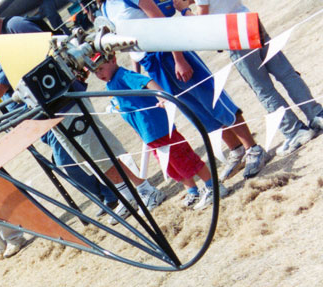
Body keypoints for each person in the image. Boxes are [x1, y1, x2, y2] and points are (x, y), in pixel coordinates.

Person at [0, 1, 166, 222]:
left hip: (64, 100)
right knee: (86, 158)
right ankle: (125, 193)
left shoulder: (16, 27)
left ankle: (145, 189)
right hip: (48, 107)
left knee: (99, 149)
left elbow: (53, 52)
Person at [99, 0, 267, 180]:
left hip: (168, 53)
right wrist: (137, 72)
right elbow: (131, 45)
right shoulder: (105, 8)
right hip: (152, 63)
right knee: (196, 111)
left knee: (212, 99)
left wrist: (178, 59)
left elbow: (163, 23)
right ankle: (236, 149)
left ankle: (253, 148)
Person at [174, 0, 322, 156]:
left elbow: (201, 23)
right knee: (286, 74)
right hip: (248, 20)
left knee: (263, 89)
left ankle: (294, 131)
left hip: (234, 34)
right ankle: (315, 113)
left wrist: (184, 10)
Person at [94, 53, 229, 209]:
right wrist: (141, 134)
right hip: (149, 133)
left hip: (159, 128)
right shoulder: (110, 85)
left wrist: (161, 97)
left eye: (101, 69)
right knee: (171, 165)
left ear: (113, 60)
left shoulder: (123, 75)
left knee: (184, 158)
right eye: (95, 72)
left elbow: (147, 81)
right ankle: (192, 190)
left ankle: (213, 186)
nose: (99, 74)